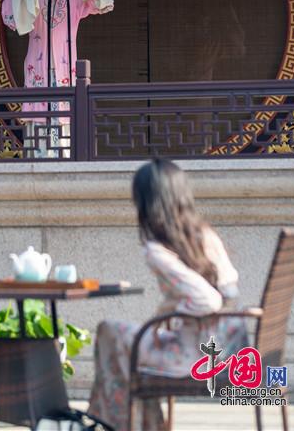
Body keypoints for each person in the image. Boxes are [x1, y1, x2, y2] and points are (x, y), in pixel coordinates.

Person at [88, 158, 247, 431]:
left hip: (191, 357)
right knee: (124, 345)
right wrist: (166, 314)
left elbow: (208, 299)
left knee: (109, 332)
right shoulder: (205, 235)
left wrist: (174, 315)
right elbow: (228, 288)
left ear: (147, 203)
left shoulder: (156, 252)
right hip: (223, 349)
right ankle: (146, 425)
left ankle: (121, 424)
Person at [1, 0, 113, 157]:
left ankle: (63, 161)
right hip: (38, 67)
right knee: (39, 118)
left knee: (63, 118)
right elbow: (8, 10)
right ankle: (39, 161)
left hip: (64, 69)